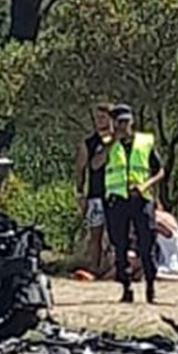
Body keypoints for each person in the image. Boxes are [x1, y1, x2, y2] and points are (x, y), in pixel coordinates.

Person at [90, 104, 165, 303]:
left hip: (141, 199)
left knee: (146, 242)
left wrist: (145, 185)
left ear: (132, 121)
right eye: (119, 122)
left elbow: (159, 170)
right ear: (113, 123)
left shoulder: (145, 142)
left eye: (126, 122)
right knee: (120, 244)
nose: (123, 126)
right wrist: (112, 142)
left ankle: (150, 285)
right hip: (117, 200)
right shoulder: (107, 143)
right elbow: (95, 165)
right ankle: (126, 287)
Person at [75, 103, 114, 274]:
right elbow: (84, 168)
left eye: (103, 117)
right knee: (95, 233)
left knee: (117, 233)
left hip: (116, 192)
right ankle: (94, 267)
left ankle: (115, 266)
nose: (99, 121)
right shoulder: (89, 143)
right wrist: (80, 193)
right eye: (97, 118)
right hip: (96, 194)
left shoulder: (121, 140)